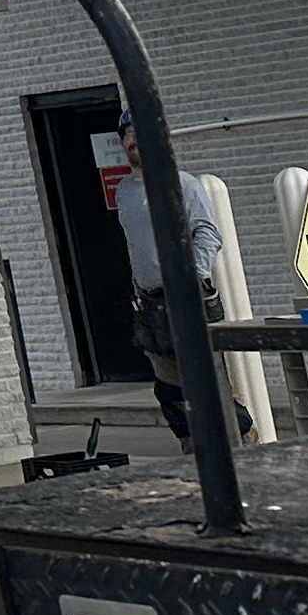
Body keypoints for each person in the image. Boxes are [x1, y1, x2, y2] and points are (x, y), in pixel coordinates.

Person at [106, 108, 252, 446]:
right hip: (151, 303)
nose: (135, 142)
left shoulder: (182, 183)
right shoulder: (124, 192)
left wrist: (192, 279)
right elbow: (136, 247)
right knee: (170, 388)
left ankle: (240, 441)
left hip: (187, 298)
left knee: (206, 380)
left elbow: (208, 234)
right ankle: (194, 451)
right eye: (129, 135)